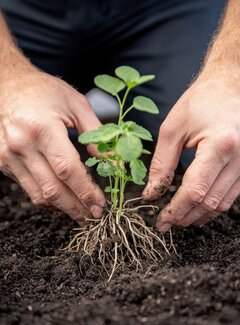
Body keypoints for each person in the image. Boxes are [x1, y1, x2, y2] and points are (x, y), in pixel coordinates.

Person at [0, 0, 239, 232]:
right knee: (25, 140)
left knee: (214, 150)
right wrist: (9, 79)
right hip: (21, 14)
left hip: (166, 8)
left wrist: (231, 72)